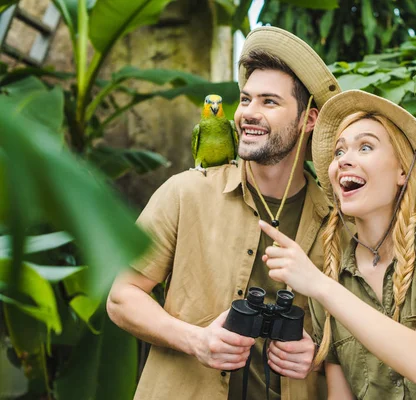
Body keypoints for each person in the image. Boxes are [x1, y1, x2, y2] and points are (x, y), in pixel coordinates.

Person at [106, 26, 341, 400]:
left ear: (309, 120)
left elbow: (361, 330)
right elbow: (121, 297)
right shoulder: (186, 192)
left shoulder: (338, 220)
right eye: (246, 99)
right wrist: (196, 340)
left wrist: (318, 354)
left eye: (269, 102)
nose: (248, 112)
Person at [258, 90, 416, 399]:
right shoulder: (334, 280)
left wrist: (319, 286)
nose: (345, 160)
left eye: (365, 147)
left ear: (402, 170)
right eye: (339, 152)